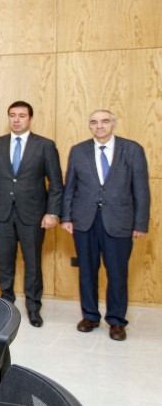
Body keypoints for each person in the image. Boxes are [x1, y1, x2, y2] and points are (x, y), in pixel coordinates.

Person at [61, 110, 149, 341]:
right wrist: (66, 217)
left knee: (117, 273)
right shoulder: (78, 150)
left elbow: (141, 189)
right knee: (87, 271)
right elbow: (70, 186)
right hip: (84, 221)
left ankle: (116, 321)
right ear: (89, 126)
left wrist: (140, 222)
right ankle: (90, 316)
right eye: (94, 122)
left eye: (104, 121)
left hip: (119, 221)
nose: (99, 126)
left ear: (113, 124)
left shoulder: (132, 149)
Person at [0, 101, 63, 328]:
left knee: (33, 263)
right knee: (4, 261)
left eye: (21, 115)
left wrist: (52, 213)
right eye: (12, 115)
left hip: (34, 214)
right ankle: (6, 304)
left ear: (30, 119)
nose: (16, 120)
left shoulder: (45, 145)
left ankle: (34, 307)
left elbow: (56, 183)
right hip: (3, 213)